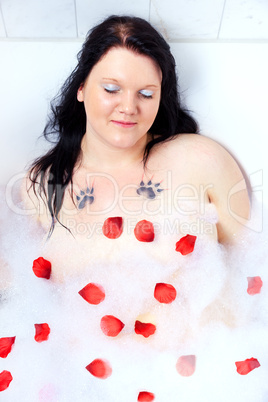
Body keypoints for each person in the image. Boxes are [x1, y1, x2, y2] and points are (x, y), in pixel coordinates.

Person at [2, 15, 265, 402]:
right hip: (81, 385)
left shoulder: (199, 159)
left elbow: (252, 262)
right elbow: (21, 292)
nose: (129, 107)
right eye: (111, 88)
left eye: (146, 94)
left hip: (204, 379)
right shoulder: (40, 187)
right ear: (80, 89)